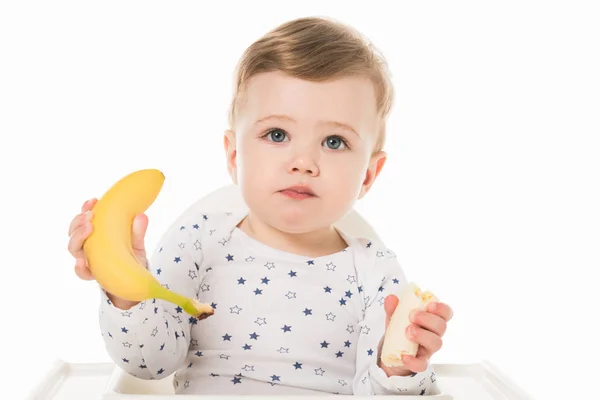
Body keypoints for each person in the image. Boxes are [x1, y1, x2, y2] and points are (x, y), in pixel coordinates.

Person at [67, 16, 453, 396]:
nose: (303, 162)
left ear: (369, 174)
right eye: (277, 134)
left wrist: (399, 368)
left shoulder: (375, 272)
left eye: (334, 141)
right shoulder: (198, 242)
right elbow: (149, 365)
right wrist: (126, 291)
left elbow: (378, 392)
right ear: (235, 156)